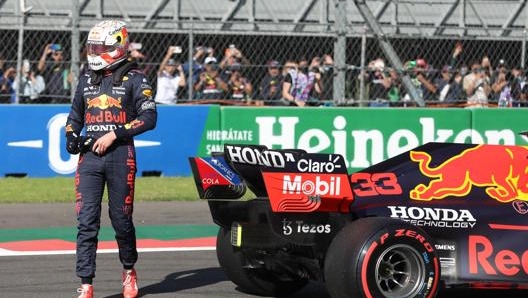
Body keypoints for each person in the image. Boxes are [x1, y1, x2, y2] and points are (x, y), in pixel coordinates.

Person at [64, 19, 157, 298]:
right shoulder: (86, 80)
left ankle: (129, 271)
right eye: (91, 46)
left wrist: (115, 134)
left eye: (99, 47)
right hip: (89, 159)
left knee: (121, 219)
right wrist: (71, 137)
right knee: (86, 221)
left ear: (117, 47)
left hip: (120, 156)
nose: (93, 51)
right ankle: (86, 284)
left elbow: (149, 117)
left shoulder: (137, 78)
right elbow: (74, 119)